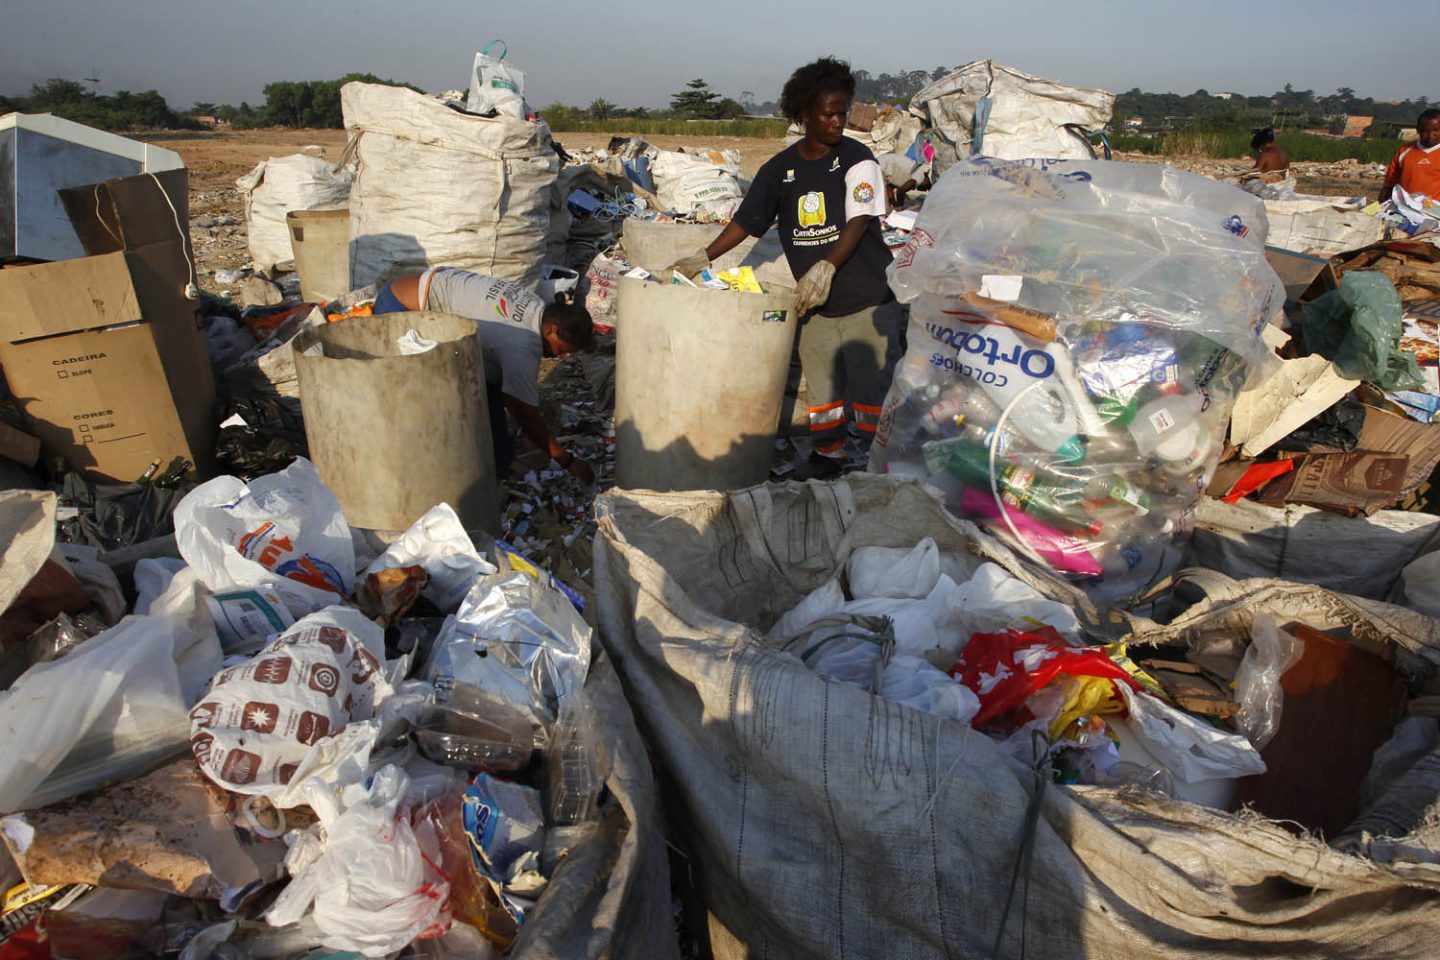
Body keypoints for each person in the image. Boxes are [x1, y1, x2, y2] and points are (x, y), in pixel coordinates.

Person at [665, 57, 902, 480]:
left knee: (873, 392)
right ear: (804, 116)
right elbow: (746, 221)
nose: (837, 122)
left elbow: (858, 220)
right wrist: (704, 256)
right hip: (816, 303)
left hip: (867, 298)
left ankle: (876, 465)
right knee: (824, 392)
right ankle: (828, 456)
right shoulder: (781, 170)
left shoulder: (858, 159)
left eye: (843, 112)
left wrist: (826, 266)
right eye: (828, 114)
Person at [372, 268, 596, 483]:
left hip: (415, 291)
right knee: (423, 410)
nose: (560, 356)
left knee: (491, 404)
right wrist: (566, 461)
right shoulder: (524, 345)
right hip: (401, 310)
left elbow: (500, 386)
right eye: (562, 349)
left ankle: (494, 462)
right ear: (552, 330)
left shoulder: (536, 306)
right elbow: (524, 413)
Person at [1379, 109, 1440, 203]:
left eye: (1436, 131)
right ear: (1418, 130)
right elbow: (1389, 185)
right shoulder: (1404, 152)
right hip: (1404, 209)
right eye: (1425, 131)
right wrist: (1377, 209)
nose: (1430, 136)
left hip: (1434, 213)